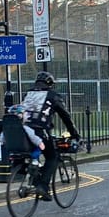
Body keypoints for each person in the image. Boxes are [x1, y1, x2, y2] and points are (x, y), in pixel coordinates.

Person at [21, 71, 80, 201]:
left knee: (33, 156)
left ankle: (35, 179)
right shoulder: (53, 96)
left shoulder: (28, 94)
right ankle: (42, 186)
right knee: (52, 157)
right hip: (40, 131)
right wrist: (74, 134)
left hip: (23, 130)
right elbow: (65, 116)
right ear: (50, 84)